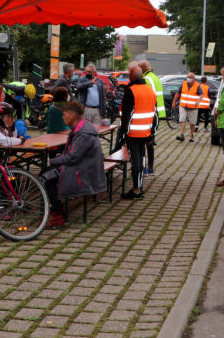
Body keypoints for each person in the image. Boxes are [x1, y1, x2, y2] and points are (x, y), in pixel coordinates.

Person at [39, 100, 107, 228]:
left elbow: (72, 157)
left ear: (72, 115)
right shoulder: (83, 128)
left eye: (65, 115)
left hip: (82, 172)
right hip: (84, 167)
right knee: (46, 173)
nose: (63, 118)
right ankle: (55, 209)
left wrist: (53, 160)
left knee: (45, 177)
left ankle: (57, 216)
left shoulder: (83, 133)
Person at [116, 64, 156, 200]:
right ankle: (139, 187)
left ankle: (136, 191)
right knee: (141, 159)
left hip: (132, 134)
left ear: (131, 77)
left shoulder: (131, 91)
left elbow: (126, 115)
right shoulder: (150, 91)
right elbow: (154, 115)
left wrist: (123, 134)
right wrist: (152, 133)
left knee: (135, 163)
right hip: (145, 133)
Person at [139, 60, 164, 175]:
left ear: (142, 69)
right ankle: (150, 167)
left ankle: (143, 168)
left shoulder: (146, 80)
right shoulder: (155, 77)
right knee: (150, 142)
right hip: (156, 114)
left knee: (142, 142)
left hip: (147, 114)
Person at [172, 72, 202, 142]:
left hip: (193, 107)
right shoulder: (183, 84)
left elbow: (201, 95)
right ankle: (182, 134)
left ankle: (191, 135)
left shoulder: (197, 85)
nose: (188, 78)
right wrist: (174, 102)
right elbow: (178, 93)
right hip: (183, 106)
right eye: (187, 77)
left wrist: (198, 102)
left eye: (190, 77)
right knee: (182, 119)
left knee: (192, 122)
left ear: (193, 78)